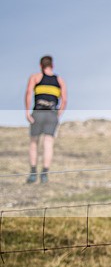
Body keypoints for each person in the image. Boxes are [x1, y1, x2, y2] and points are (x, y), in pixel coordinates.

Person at [24, 56, 67, 184]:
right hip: (52, 114)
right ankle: (44, 174)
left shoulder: (35, 77)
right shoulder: (59, 80)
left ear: (40, 66)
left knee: (34, 142)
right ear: (52, 66)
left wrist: (27, 112)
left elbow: (28, 93)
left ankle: (33, 173)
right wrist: (58, 114)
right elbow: (64, 100)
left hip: (38, 112)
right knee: (48, 143)